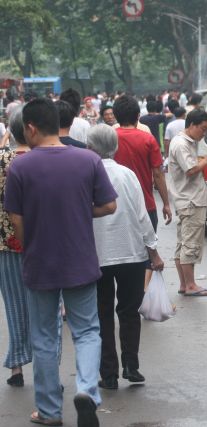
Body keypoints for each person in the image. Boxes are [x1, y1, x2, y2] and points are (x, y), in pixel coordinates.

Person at [5, 98, 117, 426]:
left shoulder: (20, 166)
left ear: (30, 128)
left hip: (39, 262)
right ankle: (86, 390)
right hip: (79, 259)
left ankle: (51, 411)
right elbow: (109, 205)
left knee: (43, 337)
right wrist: (82, 211)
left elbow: (15, 217)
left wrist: (31, 244)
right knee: (86, 331)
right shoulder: (87, 160)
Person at [87, 124, 164, 391]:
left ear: (89, 147)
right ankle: (131, 365)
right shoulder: (127, 174)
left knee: (103, 313)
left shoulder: (86, 174)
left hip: (96, 255)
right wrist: (152, 250)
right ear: (115, 147)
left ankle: (108, 374)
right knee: (129, 311)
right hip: (131, 252)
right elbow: (141, 214)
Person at [167, 109, 207, 296]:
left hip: (188, 199)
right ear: (192, 125)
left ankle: (184, 284)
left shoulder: (186, 142)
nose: (204, 134)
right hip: (191, 201)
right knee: (190, 244)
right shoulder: (181, 144)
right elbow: (191, 170)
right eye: (203, 129)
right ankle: (190, 285)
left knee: (183, 243)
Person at [0, 107, 31, 388]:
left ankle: (17, 367)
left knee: (14, 305)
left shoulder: (1, 160)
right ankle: (48, 371)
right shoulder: (44, 160)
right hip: (45, 244)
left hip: (5, 244)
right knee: (48, 310)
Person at [112, 94, 172, 230]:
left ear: (115, 116)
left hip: (117, 206)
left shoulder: (109, 138)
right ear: (138, 116)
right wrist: (166, 203)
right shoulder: (148, 139)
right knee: (149, 249)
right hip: (145, 204)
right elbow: (158, 174)